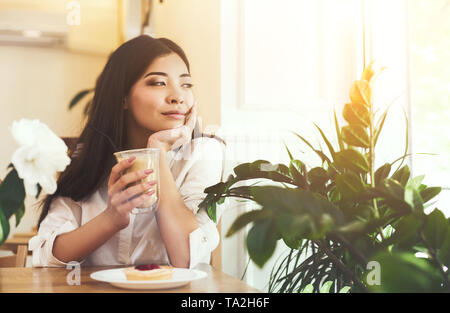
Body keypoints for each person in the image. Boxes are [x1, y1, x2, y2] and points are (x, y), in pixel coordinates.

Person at [29, 35, 227, 269]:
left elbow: (186, 258)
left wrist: (158, 152)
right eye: (158, 83)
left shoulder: (203, 153)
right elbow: (45, 258)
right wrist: (111, 219)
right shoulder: (87, 158)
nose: (177, 96)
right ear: (122, 97)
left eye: (186, 84)